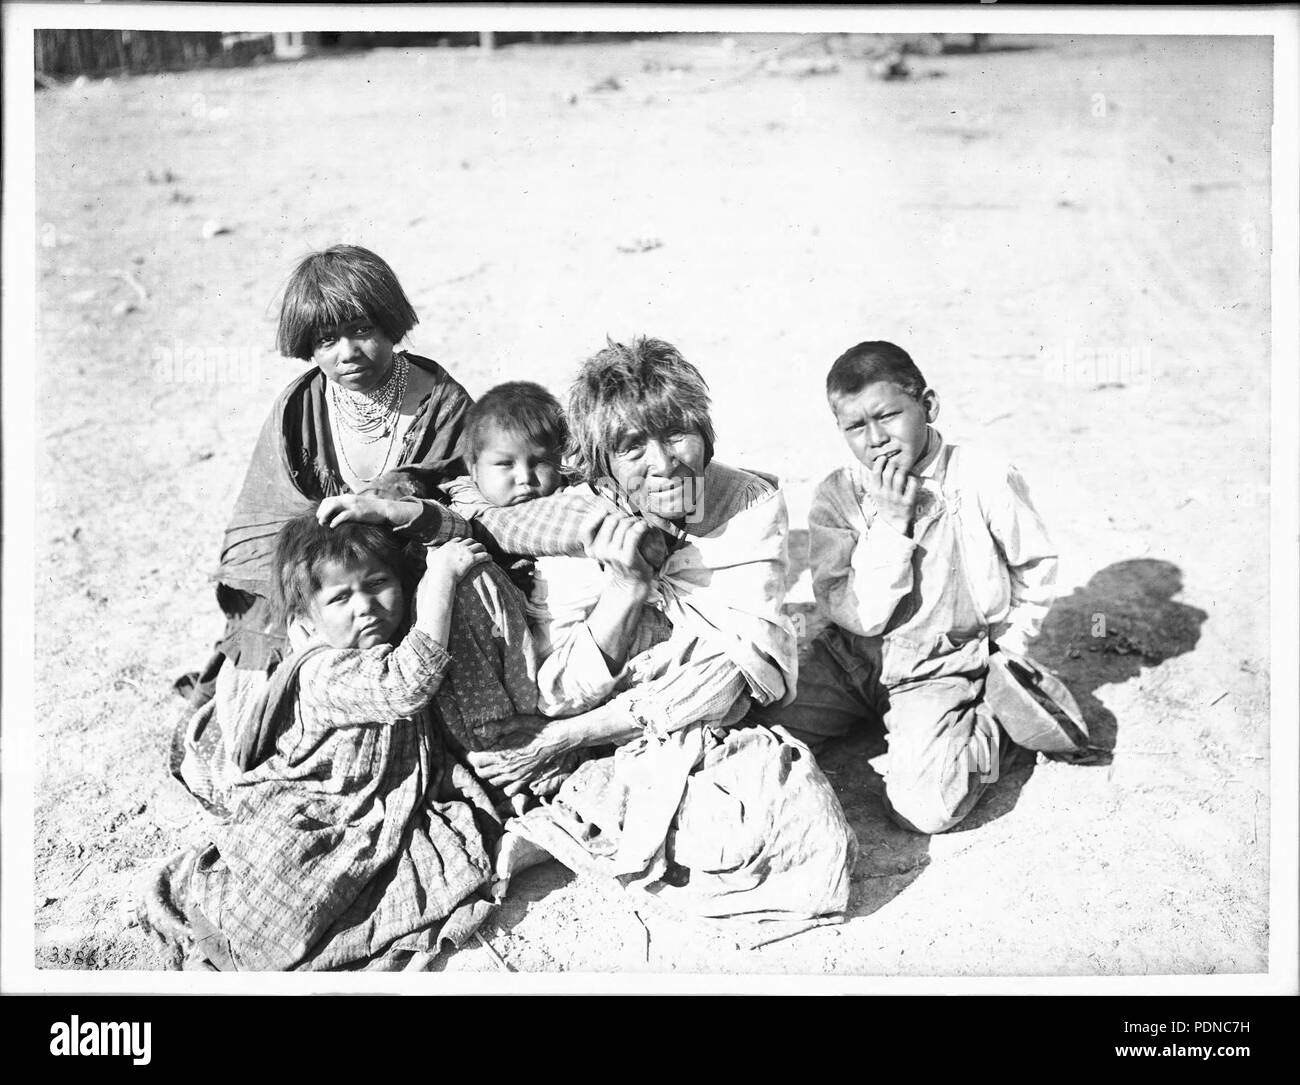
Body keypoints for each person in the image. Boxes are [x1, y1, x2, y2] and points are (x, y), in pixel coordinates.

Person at [460, 339, 858, 932]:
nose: (664, 464)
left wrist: (563, 737)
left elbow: (743, 672)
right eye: (631, 447)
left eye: (676, 434)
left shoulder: (747, 502)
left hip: (695, 717)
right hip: (616, 724)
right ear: (602, 466)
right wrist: (625, 590)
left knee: (790, 826)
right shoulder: (579, 523)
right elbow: (558, 688)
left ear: (706, 433)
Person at [141, 516, 502, 971]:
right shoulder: (322, 671)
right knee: (292, 889)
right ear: (306, 621)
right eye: (340, 598)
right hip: (313, 803)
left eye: (378, 583)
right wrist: (444, 578)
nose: (366, 606)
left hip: (374, 804)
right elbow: (406, 685)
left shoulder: (385, 643)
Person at [753, 340, 1074, 834]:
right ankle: (875, 715)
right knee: (757, 734)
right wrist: (891, 524)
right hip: (852, 658)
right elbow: (858, 613)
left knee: (926, 809)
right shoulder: (839, 495)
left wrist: (1007, 651)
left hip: (938, 669)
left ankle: (996, 721)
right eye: (856, 427)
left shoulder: (982, 478)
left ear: (928, 405)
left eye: (888, 416)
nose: (876, 438)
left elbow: (1034, 564)